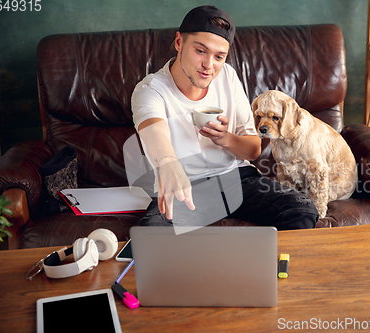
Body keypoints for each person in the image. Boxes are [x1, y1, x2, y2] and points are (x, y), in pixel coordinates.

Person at [131, 5, 318, 230]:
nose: (209, 66)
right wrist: (167, 162)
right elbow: (153, 130)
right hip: (185, 186)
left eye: (219, 56)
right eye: (200, 51)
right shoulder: (150, 89)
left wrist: (226, 139)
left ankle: (261, 264)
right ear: (179, 42)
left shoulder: (227, 76)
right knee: (153, 233)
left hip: (237, 179)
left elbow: (253, 150)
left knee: (302, 209)